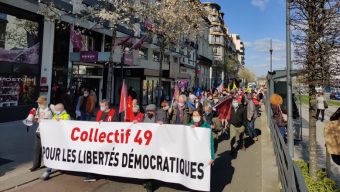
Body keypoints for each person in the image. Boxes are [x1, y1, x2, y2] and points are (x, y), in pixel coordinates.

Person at [41, 103, 70, 180]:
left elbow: (68, 125)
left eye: (57, 110)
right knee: (52, 155)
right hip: (55, 139)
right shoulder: (55, 116)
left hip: (62, 140)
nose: (56, 111)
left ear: (61, 110)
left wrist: (60, 121)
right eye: (55, 110)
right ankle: (48, 171)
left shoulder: (66, 116)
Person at [30, 96, 53, 172]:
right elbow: (36, 119)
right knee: (37, 148)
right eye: (38, 103)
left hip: (48, 132)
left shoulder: (50, 108)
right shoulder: (38, 109)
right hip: (39, 131)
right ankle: (35, 165)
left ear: (45, 102)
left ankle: (50, 165)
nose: (39, 104)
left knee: (48, 149)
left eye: (40, 102)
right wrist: (32, 118)